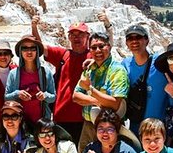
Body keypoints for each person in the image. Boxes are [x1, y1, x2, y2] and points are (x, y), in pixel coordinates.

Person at [31, 14, 112, 144]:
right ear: (68, 38)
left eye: (80, 34)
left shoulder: (94, 55)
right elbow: (39, 47)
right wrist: (34, 27)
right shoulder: (62, 55)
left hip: (85, 117)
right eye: (73, 35)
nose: (76, 38)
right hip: (62, 115)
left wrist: (108, 26)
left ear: (87, 37)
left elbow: (107, 48)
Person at [73, 32, 129, 153]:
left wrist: (90, 90)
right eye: (93, 47)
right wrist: (100, 101)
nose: (98, 50)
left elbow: (115, 104)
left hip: (109, 129)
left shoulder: (117, 71)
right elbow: (76, 96)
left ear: (109, 46)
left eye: (101, 46)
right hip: (88, 126)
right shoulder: (89, 69)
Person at [5, 35, 56, 126]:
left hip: (42, 122)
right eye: (25, 48)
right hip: (19, 123)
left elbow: (53, 97)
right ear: (20, 51)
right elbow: (6, 98)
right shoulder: (14, 74)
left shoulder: (46, 73)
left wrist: (44, 96)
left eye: (33, 48)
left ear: (37, 51)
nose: (29, 51)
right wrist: (17, 94)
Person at [122, 24, 167, 125]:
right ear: (126, 43)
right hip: (136, 126)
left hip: (158, 129)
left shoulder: (160, 62)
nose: (134, 41)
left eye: (138, 37)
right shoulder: (125, 64)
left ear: (147, 40)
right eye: (130, 38)